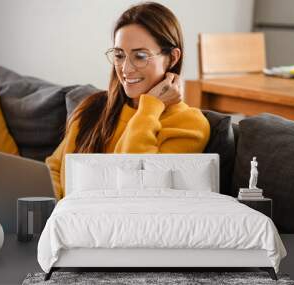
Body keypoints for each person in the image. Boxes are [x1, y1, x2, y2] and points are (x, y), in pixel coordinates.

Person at [46, 2, 210, 200]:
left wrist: (150, 107)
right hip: (64, 224)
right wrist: (53, 212)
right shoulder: (92, 107)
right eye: (119, 55)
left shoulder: (190, 125)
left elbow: (135, 189)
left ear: (172, 58)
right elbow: (54, 167)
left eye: (140, 56)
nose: (125, 69)